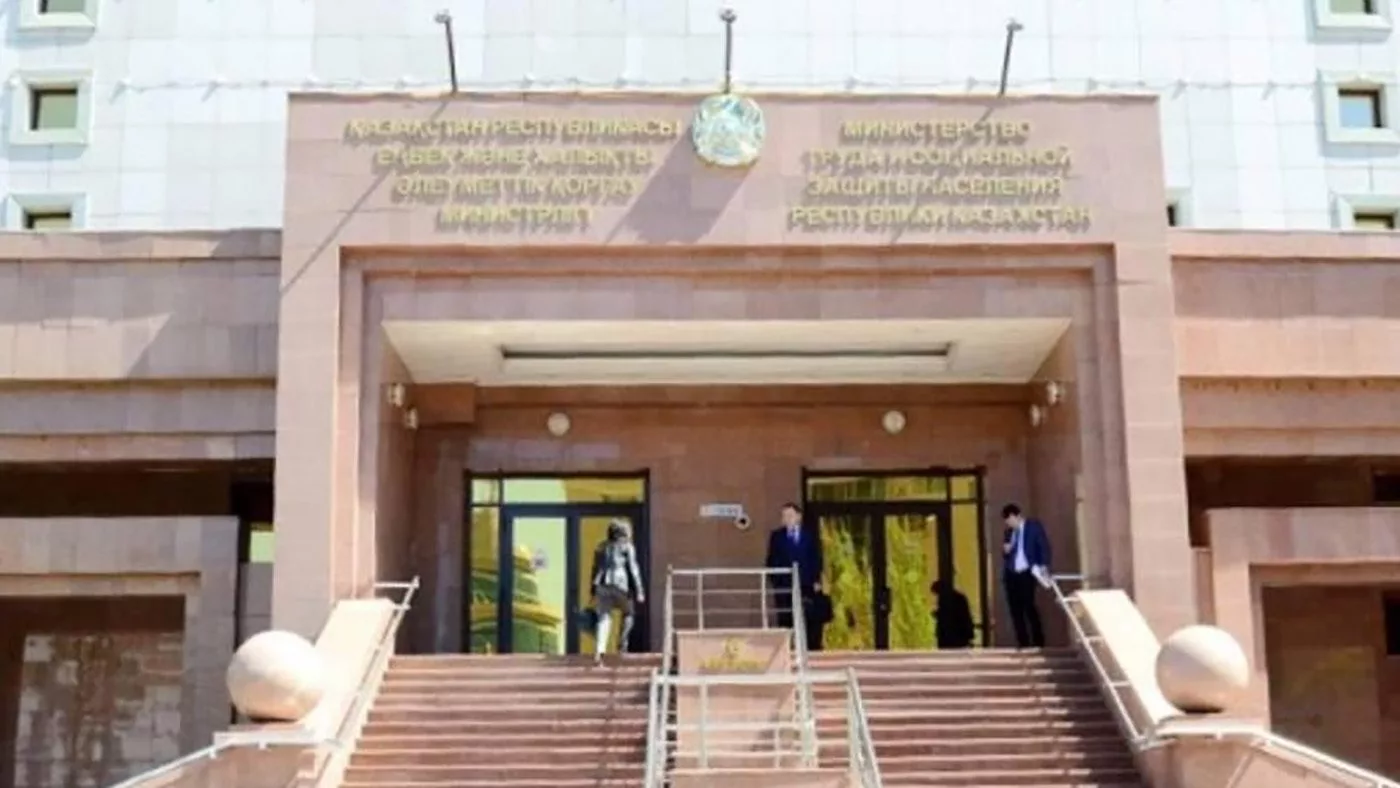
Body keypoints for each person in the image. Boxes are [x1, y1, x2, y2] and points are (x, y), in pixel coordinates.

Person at [764, 502, 825, 651]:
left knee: (808, 617)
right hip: (785, 586)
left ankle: (811, 647)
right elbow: (771, 560)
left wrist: (816, 580)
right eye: (784, 516)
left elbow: (816, 558)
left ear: (798, 517)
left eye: (790, 515)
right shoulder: (777, 536)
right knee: (786, 617)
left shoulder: (809, 536)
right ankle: (787, 648)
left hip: (807, 585)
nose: (787, 519)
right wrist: (776, 582)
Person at [590, 519, 644, 664]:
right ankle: (622, 645)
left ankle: (599, 651)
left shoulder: (601, 547)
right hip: (620, 584)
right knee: (629, 612)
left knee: (603, 618)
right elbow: (633, 569)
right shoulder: (627, 546)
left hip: (602, 585)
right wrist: (639, 591)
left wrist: (592, 591)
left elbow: (594, 569)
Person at [1001, 503, 1050, 649]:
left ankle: (1038, 640)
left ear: (1016, 516)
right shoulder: (1009, 533)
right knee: (1015, 609)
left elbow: (1043, 546)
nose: (1009, 524)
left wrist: (1044, 565)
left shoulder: (1033, 527)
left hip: (1028, 572)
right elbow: (1006, 554)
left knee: (1029, 605)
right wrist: (1006, 551)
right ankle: (1023, 642)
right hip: (1012, 573)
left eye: (1009, 520)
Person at [931, 578, 975, 650]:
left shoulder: (948, 600)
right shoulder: (959, 598)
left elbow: (949, 616)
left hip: (954, 635)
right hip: (960, 635)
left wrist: (938, 614)